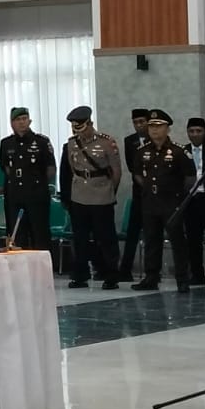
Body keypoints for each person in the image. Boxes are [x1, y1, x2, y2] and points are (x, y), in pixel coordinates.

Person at [130, 109, 195, 292]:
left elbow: (190, 178)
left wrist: (177, 195)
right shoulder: (142, 151)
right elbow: (137, 174)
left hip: (172, 203)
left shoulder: (179, 151)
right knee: (151, 240)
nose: (154, 130)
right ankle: (151, 277)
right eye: (151, 126)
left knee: (178, 241)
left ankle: (182, 279)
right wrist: (149, 187)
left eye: (159, 126)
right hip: (150, 202)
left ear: (167, 128)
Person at [60, 106, 122, 289]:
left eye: (81, 127)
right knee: (80, 238)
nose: (78, 132)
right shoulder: (72, 143)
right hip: (79, 195)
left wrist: (109, 190)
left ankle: (111, 275)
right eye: (75, 128)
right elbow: (73, 169)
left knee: (106, 237)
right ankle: (80, 275)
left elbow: (116, 171)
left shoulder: (106, 142)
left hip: (102, 195)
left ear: (90, 123)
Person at [0, 107, 53, 250]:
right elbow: (6, 168)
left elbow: (50, 168)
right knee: (18, 238)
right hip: (15, 198)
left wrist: (38, 184)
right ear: (12, 123)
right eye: (18, 120)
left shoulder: (41, 142)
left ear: (29, 121)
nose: (22, 122)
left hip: (37, 196)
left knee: (40, 237)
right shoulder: (6, 143)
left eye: (24, 119)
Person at [117, 109, 151, 281]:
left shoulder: (156, 139)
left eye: (142, 122)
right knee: (132, 232)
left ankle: (153, 271)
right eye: (135, 122)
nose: (139, 125)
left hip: (156, 193)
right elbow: (132, 167)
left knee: (153, 233)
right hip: (138, 192)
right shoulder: (130, 141)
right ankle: (125, 269)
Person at [181, 117, 205, 287]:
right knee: (193, 239)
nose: (195, 134)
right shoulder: (182, 151)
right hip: (190, 200)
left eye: (198, 131)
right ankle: (197, 274)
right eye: (191, 131)